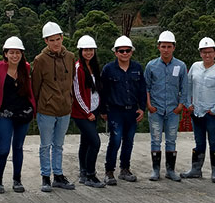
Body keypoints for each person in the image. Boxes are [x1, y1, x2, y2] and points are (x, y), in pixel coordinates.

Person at [0, 37, 36, 194]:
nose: (15, 56)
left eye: (18, 53)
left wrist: (33, 108)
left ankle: (17, 179)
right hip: (4, 112)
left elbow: (30, 88)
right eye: (11, 52)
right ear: (5, 54)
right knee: (4, 149)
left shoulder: (25, 68)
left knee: (18, 147)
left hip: (22, 111)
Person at [31, 22, 76, 192]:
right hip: (47, 110)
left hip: (65, 109)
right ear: (46, 41)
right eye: (52, 40)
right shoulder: (40, 60)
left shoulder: (70, 57)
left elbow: (71, 80)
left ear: (62, 38)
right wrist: (37, 108)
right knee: (45, 145)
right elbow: (35, 86)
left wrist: (69, 100)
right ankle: (45, 177)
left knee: (59, 144)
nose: (56, 43)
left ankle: (58, 175)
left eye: (58, 39)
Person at [100, 35, 147, 185]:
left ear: (132, 52)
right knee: (115, 140)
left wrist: (142, 108)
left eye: (127, 50)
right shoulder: (108, 69)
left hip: (132, 111)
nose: (124, 53)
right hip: (115, 111)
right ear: (116, 52)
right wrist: (103, 111)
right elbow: (103, 92)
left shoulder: (137, 68)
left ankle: (125, 169)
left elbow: (142, 89)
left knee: (129, 141)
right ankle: (109, 171)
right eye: (121, 51)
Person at [182, 37, 215, 183]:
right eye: (204, 52)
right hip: (197, 112)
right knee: (199, 142)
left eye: (210, 52)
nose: (207, 55)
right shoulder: (195, 67)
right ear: (200, 53)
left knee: (214, 142)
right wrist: (188, 103)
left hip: (212, 113)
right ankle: (196, 169)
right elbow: (188, 86)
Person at [144, 31, 188, 182]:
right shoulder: (151, 66)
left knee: (171, 140)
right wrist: (149, 105)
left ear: (174, 47)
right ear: (158, 47)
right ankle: (155, 170)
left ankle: (170, 170)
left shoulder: (180, 66)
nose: (166, 50)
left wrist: (180, 106)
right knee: (155, 139)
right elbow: (146, 87)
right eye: (163, 46)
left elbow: (185, 88)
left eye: (169, 46)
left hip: (173, 110)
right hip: (156, 109)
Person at [71, 35, 106, 188]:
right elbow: (77, 93)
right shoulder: (78, 68)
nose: (88, 52)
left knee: (85, 142)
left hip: (94, 109)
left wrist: (98, 110)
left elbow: (97, 90)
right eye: (85, 50)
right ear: (80, 51)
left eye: (91, 49)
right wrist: (87, 112)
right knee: (95, 142)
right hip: (82, 113)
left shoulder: (94, 66)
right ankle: (91, 175)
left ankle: (84, 172)